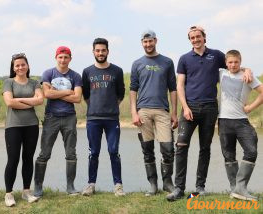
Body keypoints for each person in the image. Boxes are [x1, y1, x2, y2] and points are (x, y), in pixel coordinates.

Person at [167, 26, 252, 201]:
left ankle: (200, 187)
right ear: (189, 40)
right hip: (189, 108)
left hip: (210, 108)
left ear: (204, 38)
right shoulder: (184, 59)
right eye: (192, 37)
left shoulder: (217, 55)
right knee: (181, 147)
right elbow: (180, 85)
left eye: (198, 36)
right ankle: (179, 188)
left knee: (205, 149)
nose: (195, 39)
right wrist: (185, 107)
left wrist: (247, 69)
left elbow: (233, 66)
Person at [130, 30, 178, 196]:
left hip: (162, 111)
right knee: (147, 149)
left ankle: (167, 183)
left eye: (150, 41)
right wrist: (134, 112)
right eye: (145, 42)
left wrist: (174, 112)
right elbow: (133, 90)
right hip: (143, 111)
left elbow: (173, 88)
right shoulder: (137, 63)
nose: (148, 44)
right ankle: (153, 185)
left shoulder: (167, 62)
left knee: (168, 148)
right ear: (142, 43)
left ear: (156, 41)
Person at [34, 46, 82, 197]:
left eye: (66, 57)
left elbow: (78, 98)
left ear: (70, 58)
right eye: (60, 57)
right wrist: (68, 91)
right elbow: (46, 93)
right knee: (44, 153)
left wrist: (56, 93)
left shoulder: (76, 76)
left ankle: (70, 186)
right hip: (51, 118)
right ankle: (38, 187)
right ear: (56, 58)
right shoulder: (48, 73)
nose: (63, 60)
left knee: (71, 153)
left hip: (69, 117)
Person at [81, 38, 126, 197]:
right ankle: (91, 185)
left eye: (103, 50)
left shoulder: (117, 71)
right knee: (94, 152)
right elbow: (85, 95)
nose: (100, 53)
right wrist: (95, 107)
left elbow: (121, 93)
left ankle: (118, 185)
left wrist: (111, 107)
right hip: (93, 118)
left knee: (114, 151)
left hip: (112, 119)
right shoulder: (87, 72)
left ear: (108, 51)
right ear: (93, 52)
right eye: (97, 50)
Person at [218, 50, 263, 201]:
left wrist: (250, 108)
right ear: (226, 63)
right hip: (224, 121)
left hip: (242, 121)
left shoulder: (247, 77)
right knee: (228, 155)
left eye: (236, 62)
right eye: (230, 62)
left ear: (240, 61)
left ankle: (240, 187)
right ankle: (234, 190)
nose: (233, 65)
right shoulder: (221, 73)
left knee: (251, 150)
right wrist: (246, 68)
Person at [2, 53, 43, 207]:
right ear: (13, 68)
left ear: (27, 66)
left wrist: (19, 99)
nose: (20, 67)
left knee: (28, 158)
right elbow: (9, 102)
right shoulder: (8, 82)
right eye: (17, 65)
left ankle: (26, 192)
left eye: (23, 64)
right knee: (13, 159)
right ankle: (9, 194)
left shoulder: (34, 83)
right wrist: (30, 102)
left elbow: (40, 100)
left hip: (31, 125)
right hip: (13, 126)